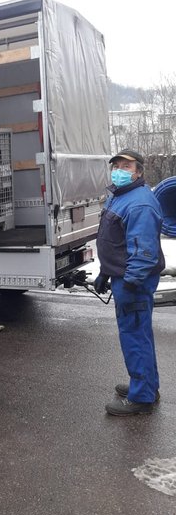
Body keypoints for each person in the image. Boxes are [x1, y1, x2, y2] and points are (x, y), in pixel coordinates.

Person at [94, 148, 165, 416]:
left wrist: (132, 282)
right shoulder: (120, 197)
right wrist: (105, 272)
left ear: (139, 171)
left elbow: (143, 250)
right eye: (117, 165)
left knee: (135, 337)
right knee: (139, 335)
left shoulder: (140, 203)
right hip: (122, 276)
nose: (120, 170)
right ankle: (147, 385)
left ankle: (142, 398)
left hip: (134, 281)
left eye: (127, 166)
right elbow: (116, 242)